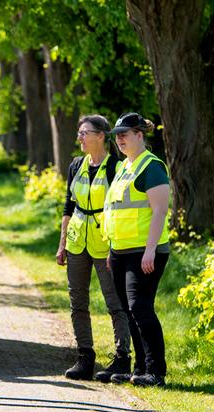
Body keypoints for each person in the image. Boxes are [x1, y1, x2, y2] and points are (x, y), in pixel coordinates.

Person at [56, 115, 132, 381]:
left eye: (84, 132)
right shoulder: (76, 164)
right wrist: (62, 242)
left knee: (115, 301)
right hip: (77, 241)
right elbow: (69, 205)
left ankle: (122, 358)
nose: (80, 137)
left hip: (106, 244)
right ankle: (85, 358)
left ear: (101, 136)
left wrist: (118, 245)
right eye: (79, 133)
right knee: (78, 302)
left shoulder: (116, 167)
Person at [103, 112, 170, 387]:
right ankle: (139, 369)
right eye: (117, 135)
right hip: (120, 250)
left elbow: (160, 211)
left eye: (125, 134)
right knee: (129, 309)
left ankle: (156, 371)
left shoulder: (151, 167)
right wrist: (111, 248)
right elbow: (115, 211)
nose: (120, 139)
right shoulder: (123, 167)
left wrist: (151, 250)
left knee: (140, 307)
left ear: (140, 135)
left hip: (144, 251)